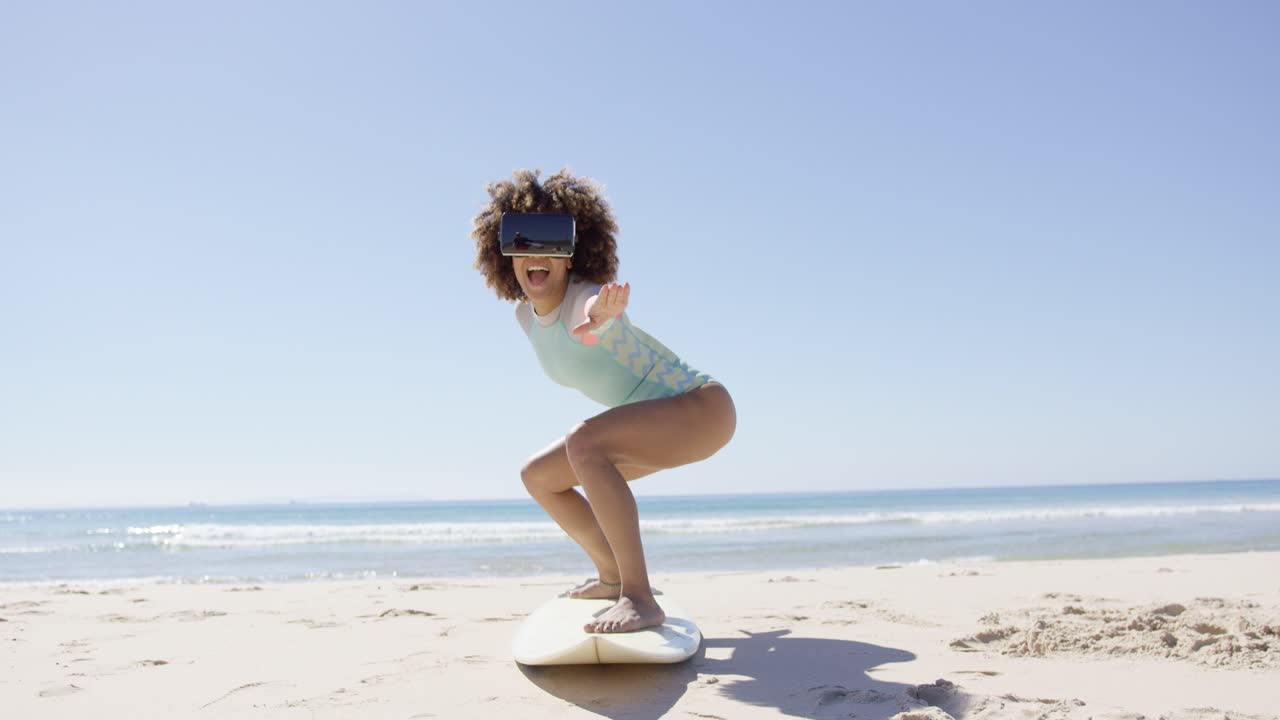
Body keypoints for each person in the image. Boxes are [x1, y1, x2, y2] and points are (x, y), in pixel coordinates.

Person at [471, 168, 737, 633]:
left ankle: (640, 596)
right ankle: (613, 577)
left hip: (701, 407)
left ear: (573, 253)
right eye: (522, 240)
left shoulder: (585, 296)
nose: (538, 254)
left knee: (584, 441)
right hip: (655, 423)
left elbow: (589, 317)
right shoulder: (524, 318)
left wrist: (600, 316)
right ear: (506, 254)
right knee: (539, 476)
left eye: (555, 241)